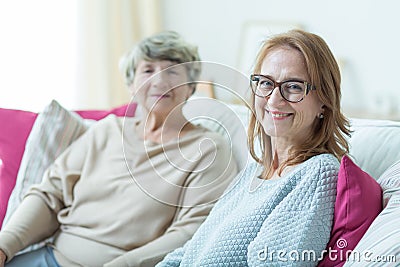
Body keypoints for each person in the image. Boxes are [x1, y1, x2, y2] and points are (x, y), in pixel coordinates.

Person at [0, 31, 238, 267]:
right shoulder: (106, 131)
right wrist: (4, 246)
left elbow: (192, 230)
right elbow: (50, 194)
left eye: (173, 70)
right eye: (147, 70)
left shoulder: (208, 149)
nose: (159, 80)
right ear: (131, 85)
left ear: (191, 86)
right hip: (49, 258)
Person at [157, 29, 351, 266]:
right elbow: (191, 250)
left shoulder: (318, 174)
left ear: (324, 101)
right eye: (266, 83)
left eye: (294, 87)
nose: (273, 100)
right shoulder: (255, 171)